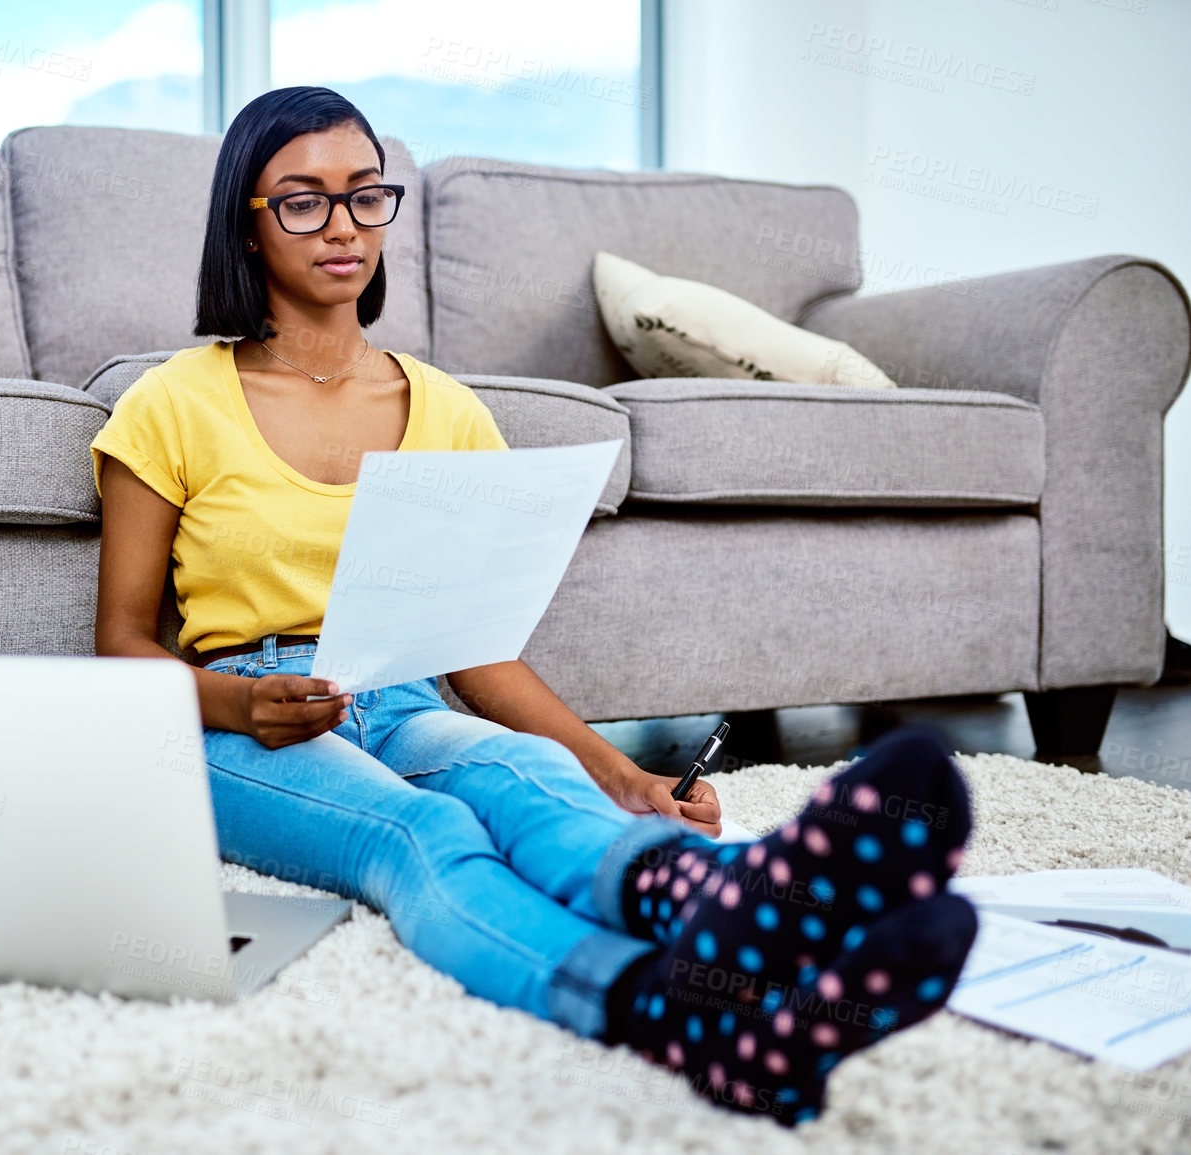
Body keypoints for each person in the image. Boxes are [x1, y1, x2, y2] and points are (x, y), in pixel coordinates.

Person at [91, 86, 979, 1126]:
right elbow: (118, 645)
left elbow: (479, 653)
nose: (341, 226)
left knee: (525, 771)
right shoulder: (171, 402)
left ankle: (725, 902)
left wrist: (626, 774)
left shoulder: (449, 412)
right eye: (302, 201)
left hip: (398, 688)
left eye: (364, 196)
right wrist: (243, 707)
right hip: (236, 713)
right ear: (244, 220)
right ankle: (675, 1012)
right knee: (421, 833)